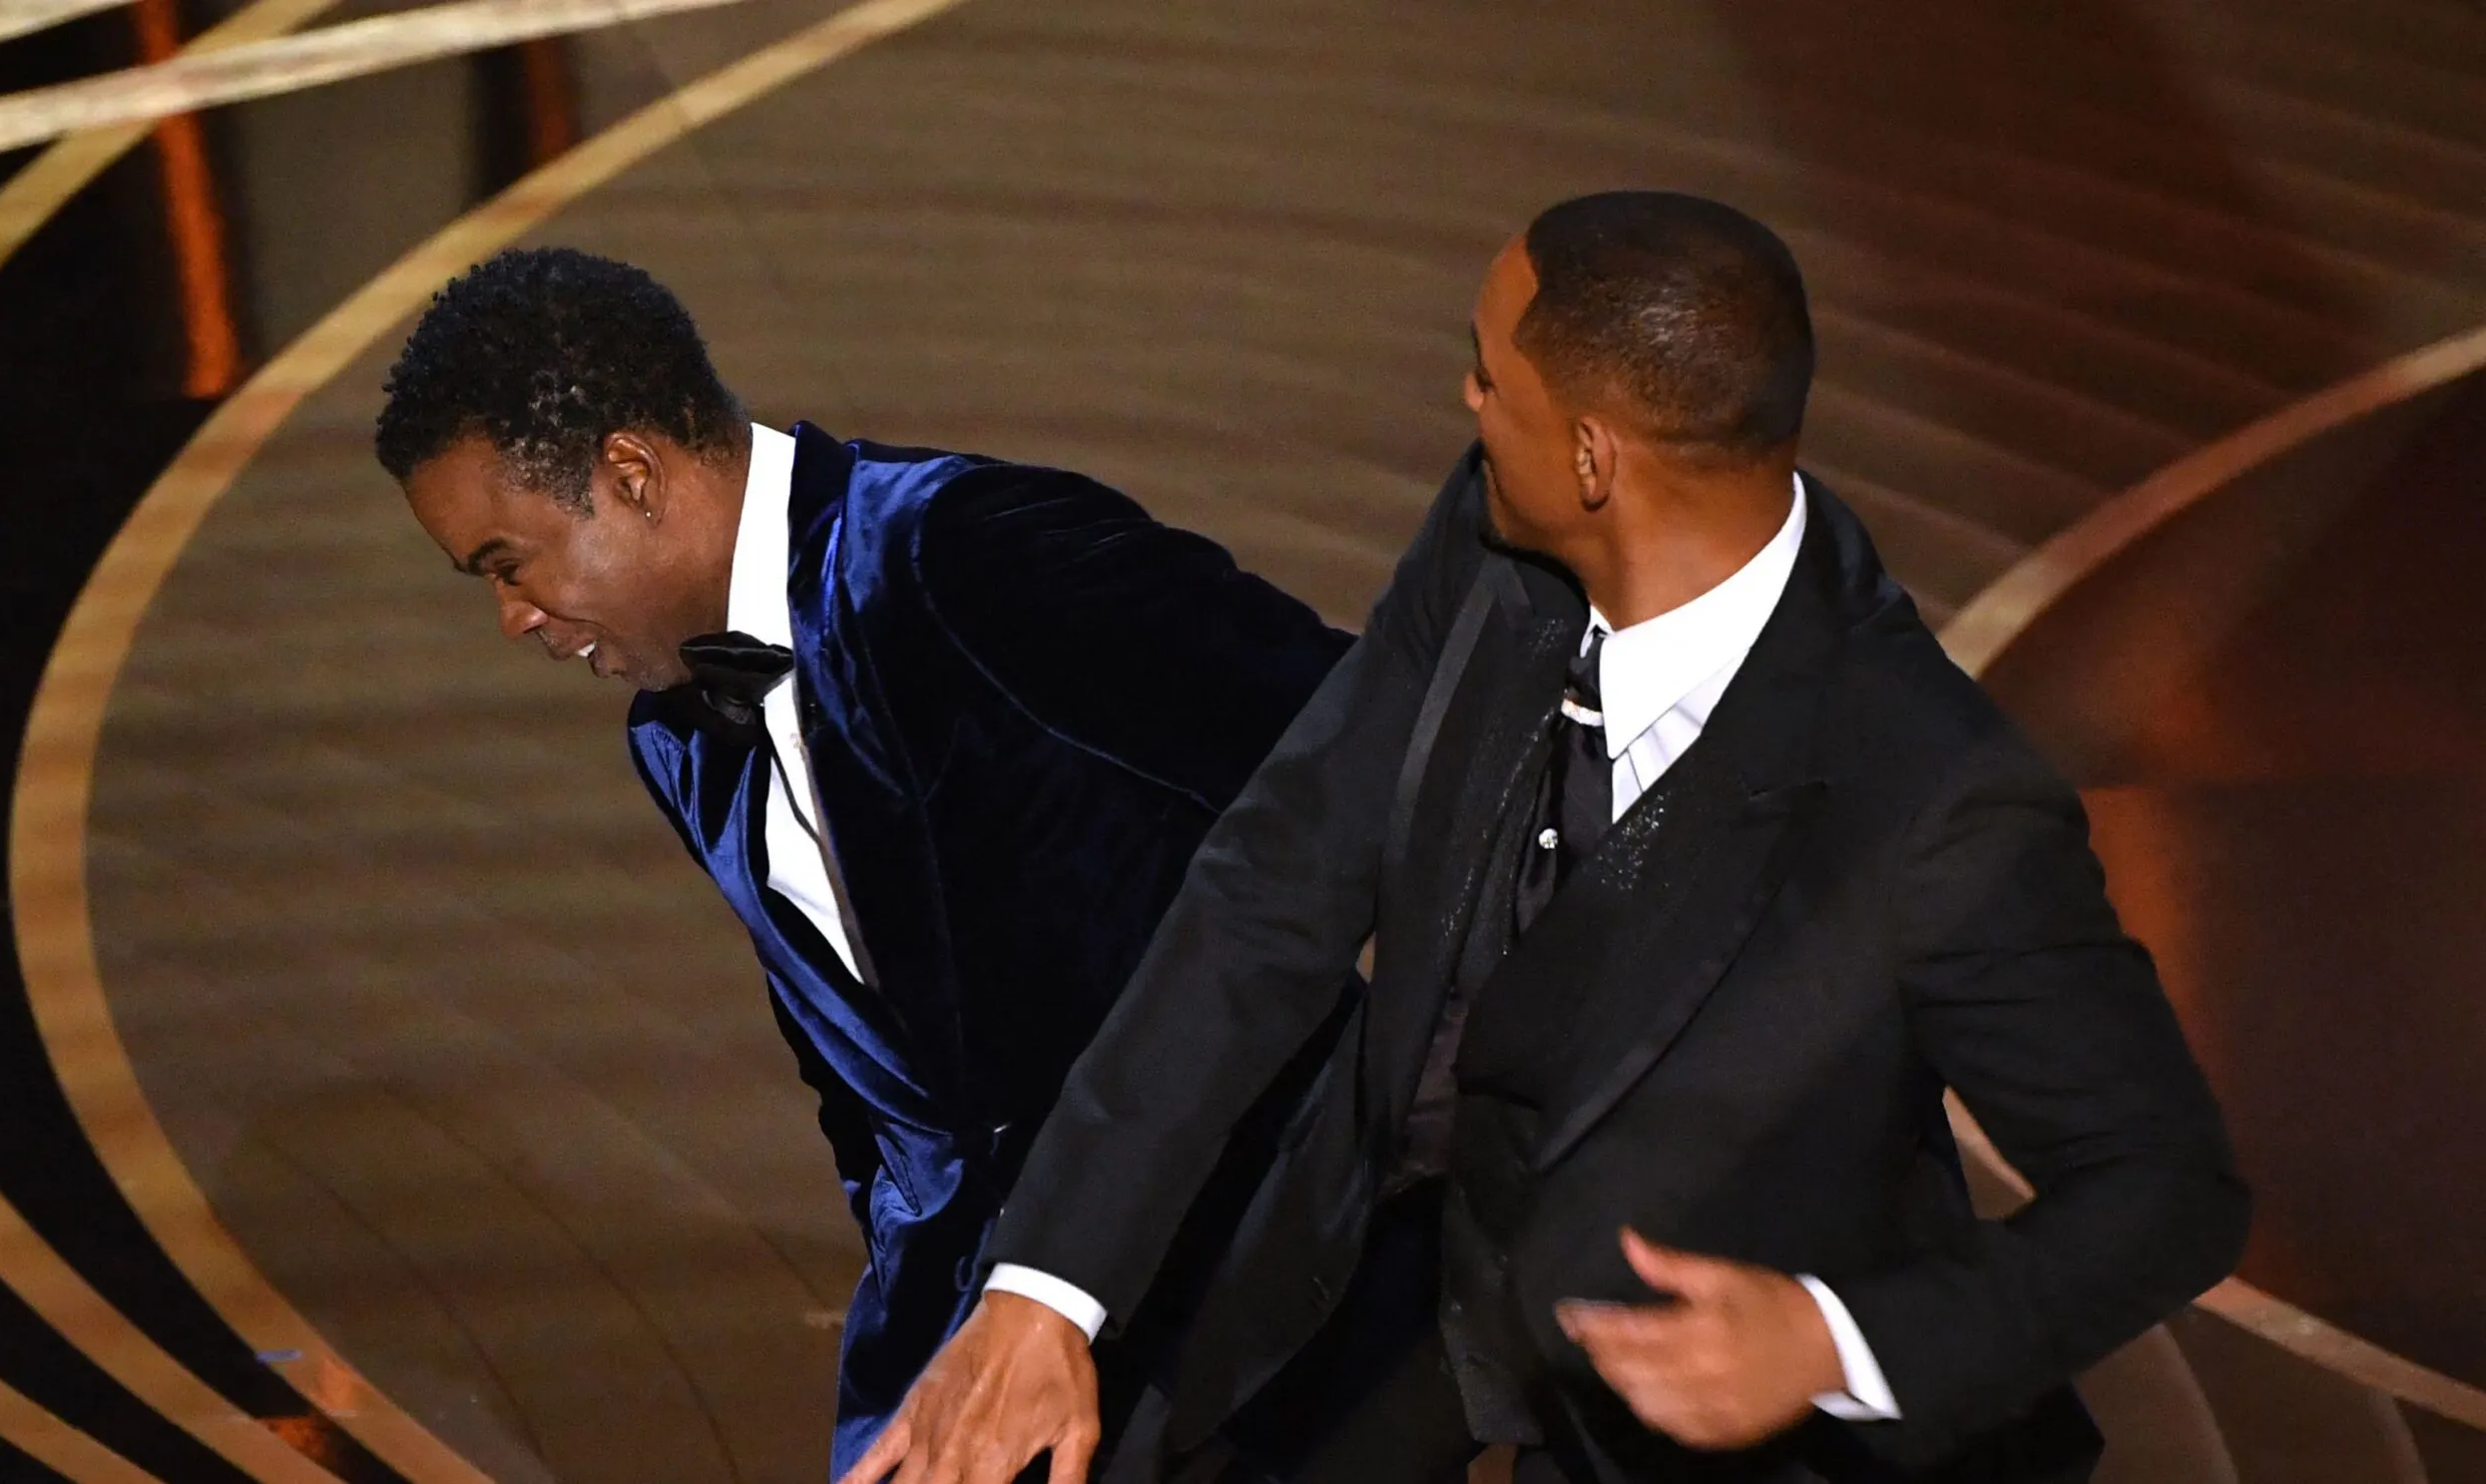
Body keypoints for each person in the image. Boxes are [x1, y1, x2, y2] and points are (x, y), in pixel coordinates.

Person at [848, 192, 2251, 1484]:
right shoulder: (1491, 547)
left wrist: (1831, 1340)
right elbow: (1268, 891)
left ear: (1593, 457)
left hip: (1719, 1418)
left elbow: (2166, 1187)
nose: (1467, 403)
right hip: (1407, 1274)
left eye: (1488, 378)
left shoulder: (1931, 798)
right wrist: (1046, 1289)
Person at [373, 247, 1356, 1480]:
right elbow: (872, 1097)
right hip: (966, 1353)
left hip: (1261, 1304)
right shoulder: (679, 741)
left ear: (630, 474)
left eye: (507, 562)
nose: (512, 616)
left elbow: (1356, 749)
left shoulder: (965, 552)